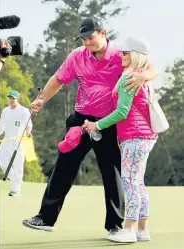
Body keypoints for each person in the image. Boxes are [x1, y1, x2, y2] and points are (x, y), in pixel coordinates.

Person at [22, 17, 157, 238]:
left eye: (90, 37)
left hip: (109, 122)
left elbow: (149, 66)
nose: (86, 43)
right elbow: (58, 79)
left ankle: (115, 225)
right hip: (81, 120)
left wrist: (144, 75)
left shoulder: (121, 53)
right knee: (64, 167)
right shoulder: (77, 55)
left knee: (112, 173)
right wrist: (41, 99)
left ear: (103, 33)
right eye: (83, 39)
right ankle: (45, 218)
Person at [83, 36, 158, 243]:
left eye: (125, 53)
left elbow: (122, 112)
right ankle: (143, 230)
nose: (121, 55)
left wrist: (96, 125)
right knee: (138, 183)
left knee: (130, 182)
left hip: (135, 136)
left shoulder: (128, 79)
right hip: (143, 136)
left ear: (134, 55)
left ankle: (129, 229)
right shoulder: (141, 76)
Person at [0, 90, 32, 197]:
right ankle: (16, 180)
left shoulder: (24, 111)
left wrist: (28, 132)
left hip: (19, 141)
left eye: (13, 98)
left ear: (18, 99)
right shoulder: (5, 111)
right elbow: (1, 125)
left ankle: (15, 190)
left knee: (18, 166)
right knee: (2, 161)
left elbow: (28, 125)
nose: (11, 100)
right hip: (7, 140)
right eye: (10, 98)